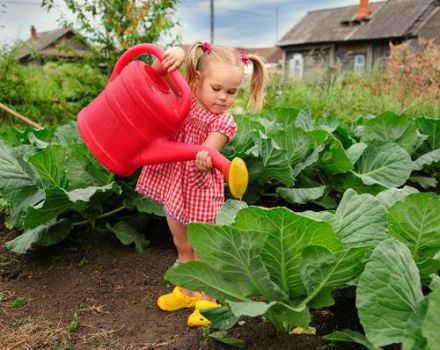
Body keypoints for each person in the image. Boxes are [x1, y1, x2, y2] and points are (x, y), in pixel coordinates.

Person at [136, 41, 267, 327]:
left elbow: (208, 149)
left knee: (202, 247)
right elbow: (156, 77)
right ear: (197, 79)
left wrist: (206, 156)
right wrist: (173, 57)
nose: (223, 98)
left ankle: (208, 300)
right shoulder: (186, 96)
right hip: (175, 183)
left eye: (231, 92)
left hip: (199, 189)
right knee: (182, 245)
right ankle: (186, 292)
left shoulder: (225, 122)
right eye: (216, 88)